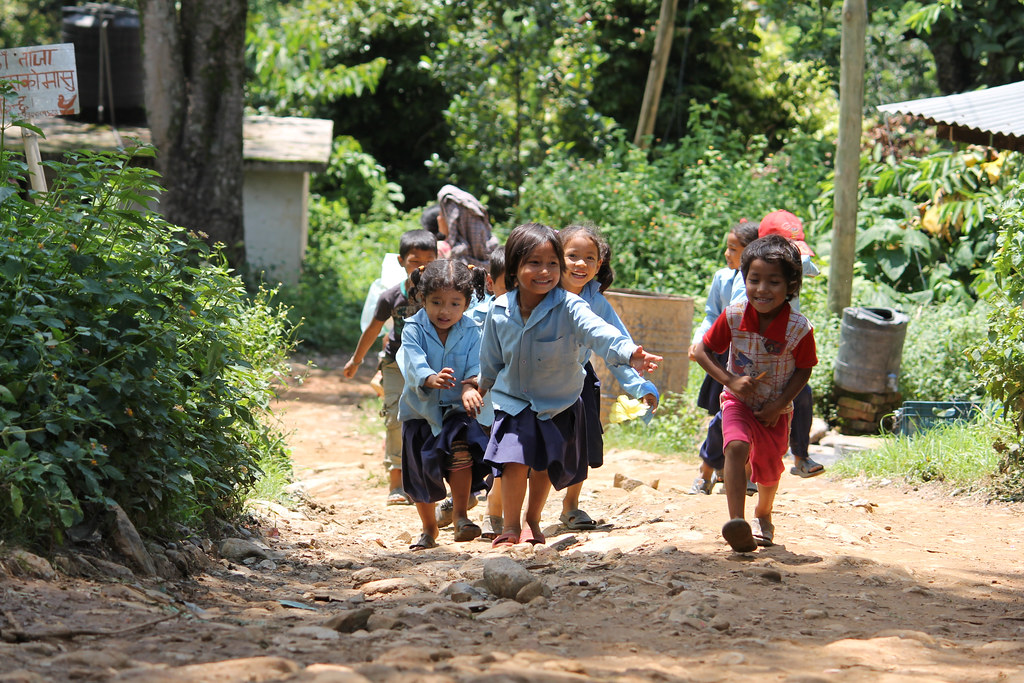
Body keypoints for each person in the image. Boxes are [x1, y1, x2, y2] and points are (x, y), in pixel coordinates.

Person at [478, 223, 662, 547]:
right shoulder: (501, 308)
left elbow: (603, 333)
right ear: (515, 265)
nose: (545, 271)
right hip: (513, 398)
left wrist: (631, 358)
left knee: (549, 461)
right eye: (535, 263)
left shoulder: (575, 304)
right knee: (513, 458)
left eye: (552, 264)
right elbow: (490, 356)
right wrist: (480, 387)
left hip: (560, 396)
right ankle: (508, 524)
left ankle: (535, 519)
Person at [691, 234, 817, 552]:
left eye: (773, 282)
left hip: (776, 409)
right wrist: (730, 381)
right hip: (738, 402)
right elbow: (703, 350)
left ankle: (763, 512)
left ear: (791, 286)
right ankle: (738, 521)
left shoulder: (799, 329)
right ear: (744, 279)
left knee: (770, 468)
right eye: (754, 279)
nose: (762, 289)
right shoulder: (734, 315)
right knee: (734, 447)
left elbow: (804, 369)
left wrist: (779, 403)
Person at [557, 223, 659, 530]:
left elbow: (617, 343)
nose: (581, 264)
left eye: (589, 258)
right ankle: (504, 510)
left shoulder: (596, 301)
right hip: (535, 376)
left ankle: (571, 506)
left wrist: (639, 385)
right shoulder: (541, 290)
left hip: (579, 377)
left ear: (599, 264)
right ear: (555, 257)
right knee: (525, 441)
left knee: (581, 441)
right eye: (572, 255)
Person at [397, 260, 490, 550]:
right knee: (421, 470)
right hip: (420, 412)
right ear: (422, 298)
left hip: (456, 412)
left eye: (454, 303)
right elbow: (411, 360)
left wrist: (469, 386)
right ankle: (428, 529)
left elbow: (478, 364)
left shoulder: (473, 330)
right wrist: (429, 377)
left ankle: (461, 516)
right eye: (436, 302)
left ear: (467, 302)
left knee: (461, 455)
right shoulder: (413, 328)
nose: (444, 311)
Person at [343, 230, 438, 506]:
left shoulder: (444, 293)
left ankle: (433, 479)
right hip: (395, 364)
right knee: (396, 417)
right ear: (400, 262)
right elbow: (373, 329)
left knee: (434, 418)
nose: (422, 267)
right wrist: (356, 360)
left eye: (429, 261)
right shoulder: (392, 296)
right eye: (414, 261)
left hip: (434, 364)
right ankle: (396, 483)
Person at [686, 220, 761, 496]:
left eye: (733, 248)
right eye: (727, 248)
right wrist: (699, 340)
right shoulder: (723, 278)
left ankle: (744, 474)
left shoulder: (761, 279)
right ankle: (707, 471)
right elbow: (711, 314)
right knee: (722, 415)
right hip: (722, 355)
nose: (728, 254)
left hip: (753, 356)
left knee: (750, 417)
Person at [756, 209, 824, 478]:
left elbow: (813, 269)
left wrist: (794, 259)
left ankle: (801, 456)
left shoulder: (796, 262)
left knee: (802, 395)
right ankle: (733, 466)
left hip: (788, 340)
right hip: (754, 345)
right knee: (746, 403)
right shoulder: (748, 272)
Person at [437, 184, 499, 268]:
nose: (438, 218)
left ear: (452, 221)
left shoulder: (441, 251)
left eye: (442, 213)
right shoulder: (496, 258)